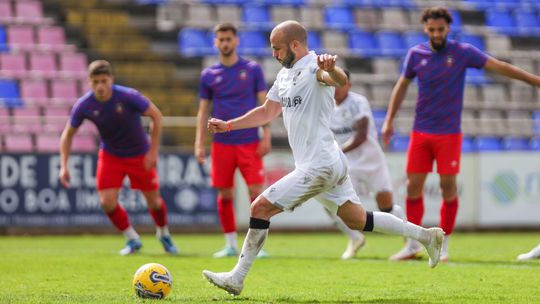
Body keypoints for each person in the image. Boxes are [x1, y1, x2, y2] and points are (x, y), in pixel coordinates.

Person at [202, 20, 444, 296]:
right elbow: (267, 112)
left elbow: (338, 80)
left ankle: (237, 277)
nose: (274, 54)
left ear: (295, 45)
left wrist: (333, 69)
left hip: (319, 164)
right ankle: (427, 236)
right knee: (356, 219)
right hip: (329, 160)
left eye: (277, 48)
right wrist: (230, 125)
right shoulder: (284, 75)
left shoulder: (316, 66)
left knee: (259, 208)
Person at [381, 7, 540, 262]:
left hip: (449, 134)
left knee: (448, 187)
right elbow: (401, 86)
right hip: (421, 132)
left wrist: (535, 80)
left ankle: (443, 243)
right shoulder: (415, 54)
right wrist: (388, 120)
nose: (436, 34)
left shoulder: (462, 52)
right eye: (431, 30)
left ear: (448, 29)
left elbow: (498, 66)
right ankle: (412, 244)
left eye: (440, 30)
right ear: (425, 29)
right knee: (413, 187)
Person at [59, 60, 178, 256]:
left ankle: (163, 233)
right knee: (107, 202)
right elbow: (67, 134)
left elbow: (156, 116)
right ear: (89, 82)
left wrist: (153, 151)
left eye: (103, 81)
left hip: (140, 154)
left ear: (111, 80)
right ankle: (132, 238)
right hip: (111, 155)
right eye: (95, 81)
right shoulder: (85, 105)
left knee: (154, 202)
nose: (100, 86)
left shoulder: (128, 96)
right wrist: (63, 166)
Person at [194, 23, 271, 258]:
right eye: (221, 39)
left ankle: (257, 246)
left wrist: (265, 135)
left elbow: (264, 106)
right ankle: (230, 244)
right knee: (225, 194)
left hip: (249, 140)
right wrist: (199, 143)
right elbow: (203, 111)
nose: (225, 43)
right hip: (222, 144)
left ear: (236, 41)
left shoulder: (252, 69)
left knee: (257, 193)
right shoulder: (209, 75)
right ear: (215, 43)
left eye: (229, 38)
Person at [329, 70, 406, 260]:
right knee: (330, 200)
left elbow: (361, 135)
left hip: (371, 160)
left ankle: (411, 243)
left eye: (340, 84)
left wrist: (337, 151)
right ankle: (355, 238)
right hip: (347, 164)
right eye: (332, 84)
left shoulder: (358, 102)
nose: (336, 89)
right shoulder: (326, 106)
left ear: (349, 84)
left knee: (386, 207)